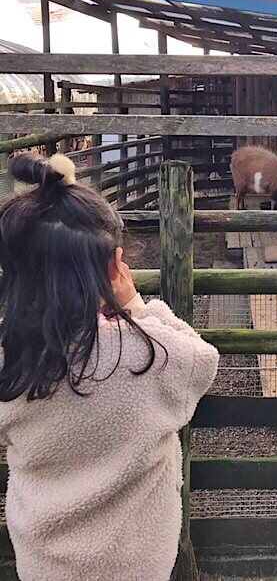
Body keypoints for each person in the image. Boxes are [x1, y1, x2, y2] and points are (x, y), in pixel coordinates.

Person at [0, 152, 219, 581]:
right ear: (114, 267)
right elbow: (203, 362)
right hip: (138, 563)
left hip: (45, 564)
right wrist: (136, 305)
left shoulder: (13, 358)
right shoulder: (151, 353)